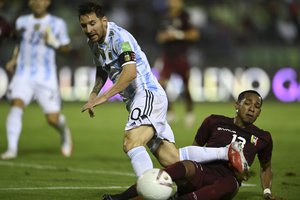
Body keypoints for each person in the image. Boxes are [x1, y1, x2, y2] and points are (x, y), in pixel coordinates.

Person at [78, 1, 247, 179]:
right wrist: (93, 95)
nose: (89, 30)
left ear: (104, 20)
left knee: (131, 142)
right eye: (84, 26)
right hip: (138, 101)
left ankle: (146, 189)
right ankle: (226, 152)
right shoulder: (93, 42)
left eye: (92, 23)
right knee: (171, 158)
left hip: (147, 94)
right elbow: (102, 68)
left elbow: (130, 73)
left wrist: (104, 97)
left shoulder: (120, 38)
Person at [103, 90, 275, 200]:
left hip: (227, 179)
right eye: (247, 103)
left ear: (260, 112)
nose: (252, 108)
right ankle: (123, 197)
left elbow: (266, 167)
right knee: (181, 166)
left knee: (228, 185)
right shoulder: (214, 121)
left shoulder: (263, 137)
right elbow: (196, 149)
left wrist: (267, 192)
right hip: (203, 172)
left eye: (257, 106)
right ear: (236, 105)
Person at [1, 0, 73, 160]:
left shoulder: (57, 23)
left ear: (48, 2)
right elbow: (20, 43)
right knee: (16, 104)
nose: (38, 3)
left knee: (52, 118)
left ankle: (64, 132)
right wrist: (14, 59)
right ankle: (12, 149)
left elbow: (67, 48)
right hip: (23, 73)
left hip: (45, 76)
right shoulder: (22, 21)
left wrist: (54, 42)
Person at [155, 0, 200, 127]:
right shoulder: (164, 17)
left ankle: (189, 113)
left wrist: (177, 34)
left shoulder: (185, 17)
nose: (173, 2)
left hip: (181, 56)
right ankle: (170, 112)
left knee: (186, 86)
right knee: (161, 85)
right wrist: (164, 36)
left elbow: (195, 35)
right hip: (167, 57)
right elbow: (159, 37)